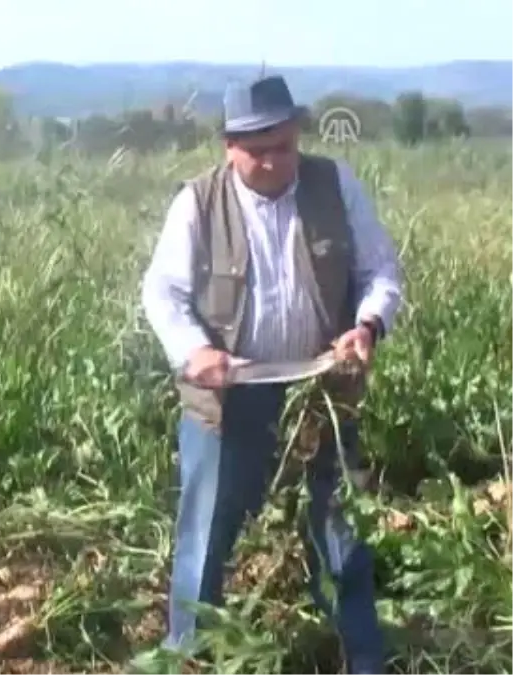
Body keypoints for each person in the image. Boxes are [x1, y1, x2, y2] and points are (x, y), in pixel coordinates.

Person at [140, 75, 402, 675]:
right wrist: (193, 351)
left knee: (338, 527)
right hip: (228, 397)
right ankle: (190, 657)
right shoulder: (198, 202)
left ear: (297, 136)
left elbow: (381, 270)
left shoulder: (335, 185)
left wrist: (367, 325)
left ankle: (359, 657)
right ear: (228, 146)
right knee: (205, 531)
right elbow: (162, 292)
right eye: (255, 150)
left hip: (321, 389)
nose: (270, 162)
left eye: (282, 146)